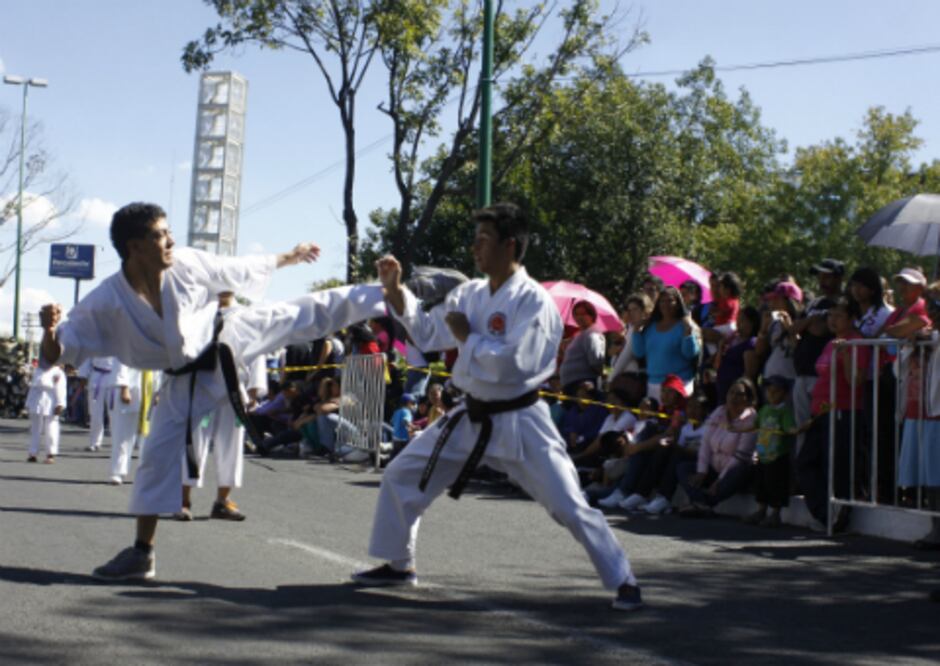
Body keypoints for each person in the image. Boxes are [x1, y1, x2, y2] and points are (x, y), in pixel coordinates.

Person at [39, 201, 386, 581]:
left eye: (169, 231)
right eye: (160, 235)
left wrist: (291, 255)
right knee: (155, 458)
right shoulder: (106, 302)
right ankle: (142, 553)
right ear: (134, 246)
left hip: (228, 340)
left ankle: (392, 293)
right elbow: (59, 351)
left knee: (298, 313)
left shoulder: (186, 263)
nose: (170, 240)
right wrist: (48, 331)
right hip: (184, 379)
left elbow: (236, 269)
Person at [353, 203, 643, 611]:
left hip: (521, 418)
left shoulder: (534, 302)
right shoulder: (468, 293)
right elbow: (428, 332)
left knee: (568, 505)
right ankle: (399, 564)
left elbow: (516, 365)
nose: (475, 249)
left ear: (510, 246)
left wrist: (468, 338)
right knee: (402, 472)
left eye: (483, 240)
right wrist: (397, 291)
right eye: (475, 240)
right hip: (470, 415)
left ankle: (623, 578)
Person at [177, 291, 270, 521]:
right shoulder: (198, 314)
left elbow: (257, 351)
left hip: (232, 389)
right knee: (194, 444)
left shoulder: (246, 316)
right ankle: (182, 500)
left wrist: (254, 389)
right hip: (201, 387)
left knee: (231, 446)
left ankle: (222, 501)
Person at [796, 297, 871, 530]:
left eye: (839, 316)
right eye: (830, 316)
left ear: (851, 318)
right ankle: (824, 513)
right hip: (821, 411)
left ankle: (839, 517)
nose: (833, 320)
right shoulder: (831, 342)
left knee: (838, 466)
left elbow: (855, 380)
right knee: (806, 462)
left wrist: (847, 354)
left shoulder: (856, 341)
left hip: (843, 410)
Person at [677, 378, 758, 516]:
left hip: (732, 471)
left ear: (749, 399)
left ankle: (702, 504)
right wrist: (701, 471)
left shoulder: (751, 419)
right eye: (731, 393)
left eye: (740, 394)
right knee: (683, 467)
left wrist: (719, 481)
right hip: (713, 468)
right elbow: (706, 444)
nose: (734, 397)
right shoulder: (719, 412)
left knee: (740, 469)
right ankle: (701, 504)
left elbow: (739, 457)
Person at [790, 259, 844, 456]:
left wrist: (808, 324)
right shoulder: (815, 302)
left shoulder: (842, 303)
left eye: (827, 276)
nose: (822, 280)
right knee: (801, 428)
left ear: (838, 277)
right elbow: (794, 328)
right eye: (820, 275)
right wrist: (810, 321)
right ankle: (802, 475)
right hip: (802, 373)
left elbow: (820, 330)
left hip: (823, 377)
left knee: (822, 426)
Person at [745, 375, 797, 527]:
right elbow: (755, 425)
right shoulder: (764, 409)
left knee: (776, 483)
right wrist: (737, 428)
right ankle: (761, 510)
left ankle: (775, 514)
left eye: (776, 391)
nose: (772, 394)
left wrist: (794, 430)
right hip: (763, 453)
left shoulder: (785, 411)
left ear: (785, 394)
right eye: (769, 391)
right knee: (761, 482)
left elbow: (789, 427)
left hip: (778, 455)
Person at [632, 286, 701, 400]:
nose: (666, 304)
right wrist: (636, 330)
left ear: (678, 303)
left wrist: (688, 330)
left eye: (670, 300)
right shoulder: (650, 327)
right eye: (662, 301)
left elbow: (690, 354)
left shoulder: (685, 325)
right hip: (653, 384)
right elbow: (639, 353)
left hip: (679, 384)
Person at [106, 360, 150, 485]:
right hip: (129, 390)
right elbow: (121, 362)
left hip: (147, 391)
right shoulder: (128, 341)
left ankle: (145, 473)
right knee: (122, 434)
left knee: (147, 437)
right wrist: (124, 388)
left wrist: (158, 392)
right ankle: (117, 472)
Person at [558, 300, 606, 396]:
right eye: (576, 314)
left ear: (591, 315)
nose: (579, 317)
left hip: (581, 386)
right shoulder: (579, 335)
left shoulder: (592, 334)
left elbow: (596, 362)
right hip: (570, 385)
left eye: (583, 314)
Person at [25, 362, 67, 463]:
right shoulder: (38, 370)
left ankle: (50, 454)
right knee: (35, 428)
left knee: (51, 427)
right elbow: (33, 387)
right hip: (37, 398)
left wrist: (60, 403)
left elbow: (61, 388)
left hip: (51, 399)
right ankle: (33, 453)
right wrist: (28, 402)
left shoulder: (58, 372)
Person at [80, 356, 115, 452]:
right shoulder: (94, 340)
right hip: (96, 376)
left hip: (114, 377)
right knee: (95, 413)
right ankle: (94, 442)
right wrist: (83, 375)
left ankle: (117, 442)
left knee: (114, 413)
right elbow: (87, 357)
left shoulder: (119, 341)